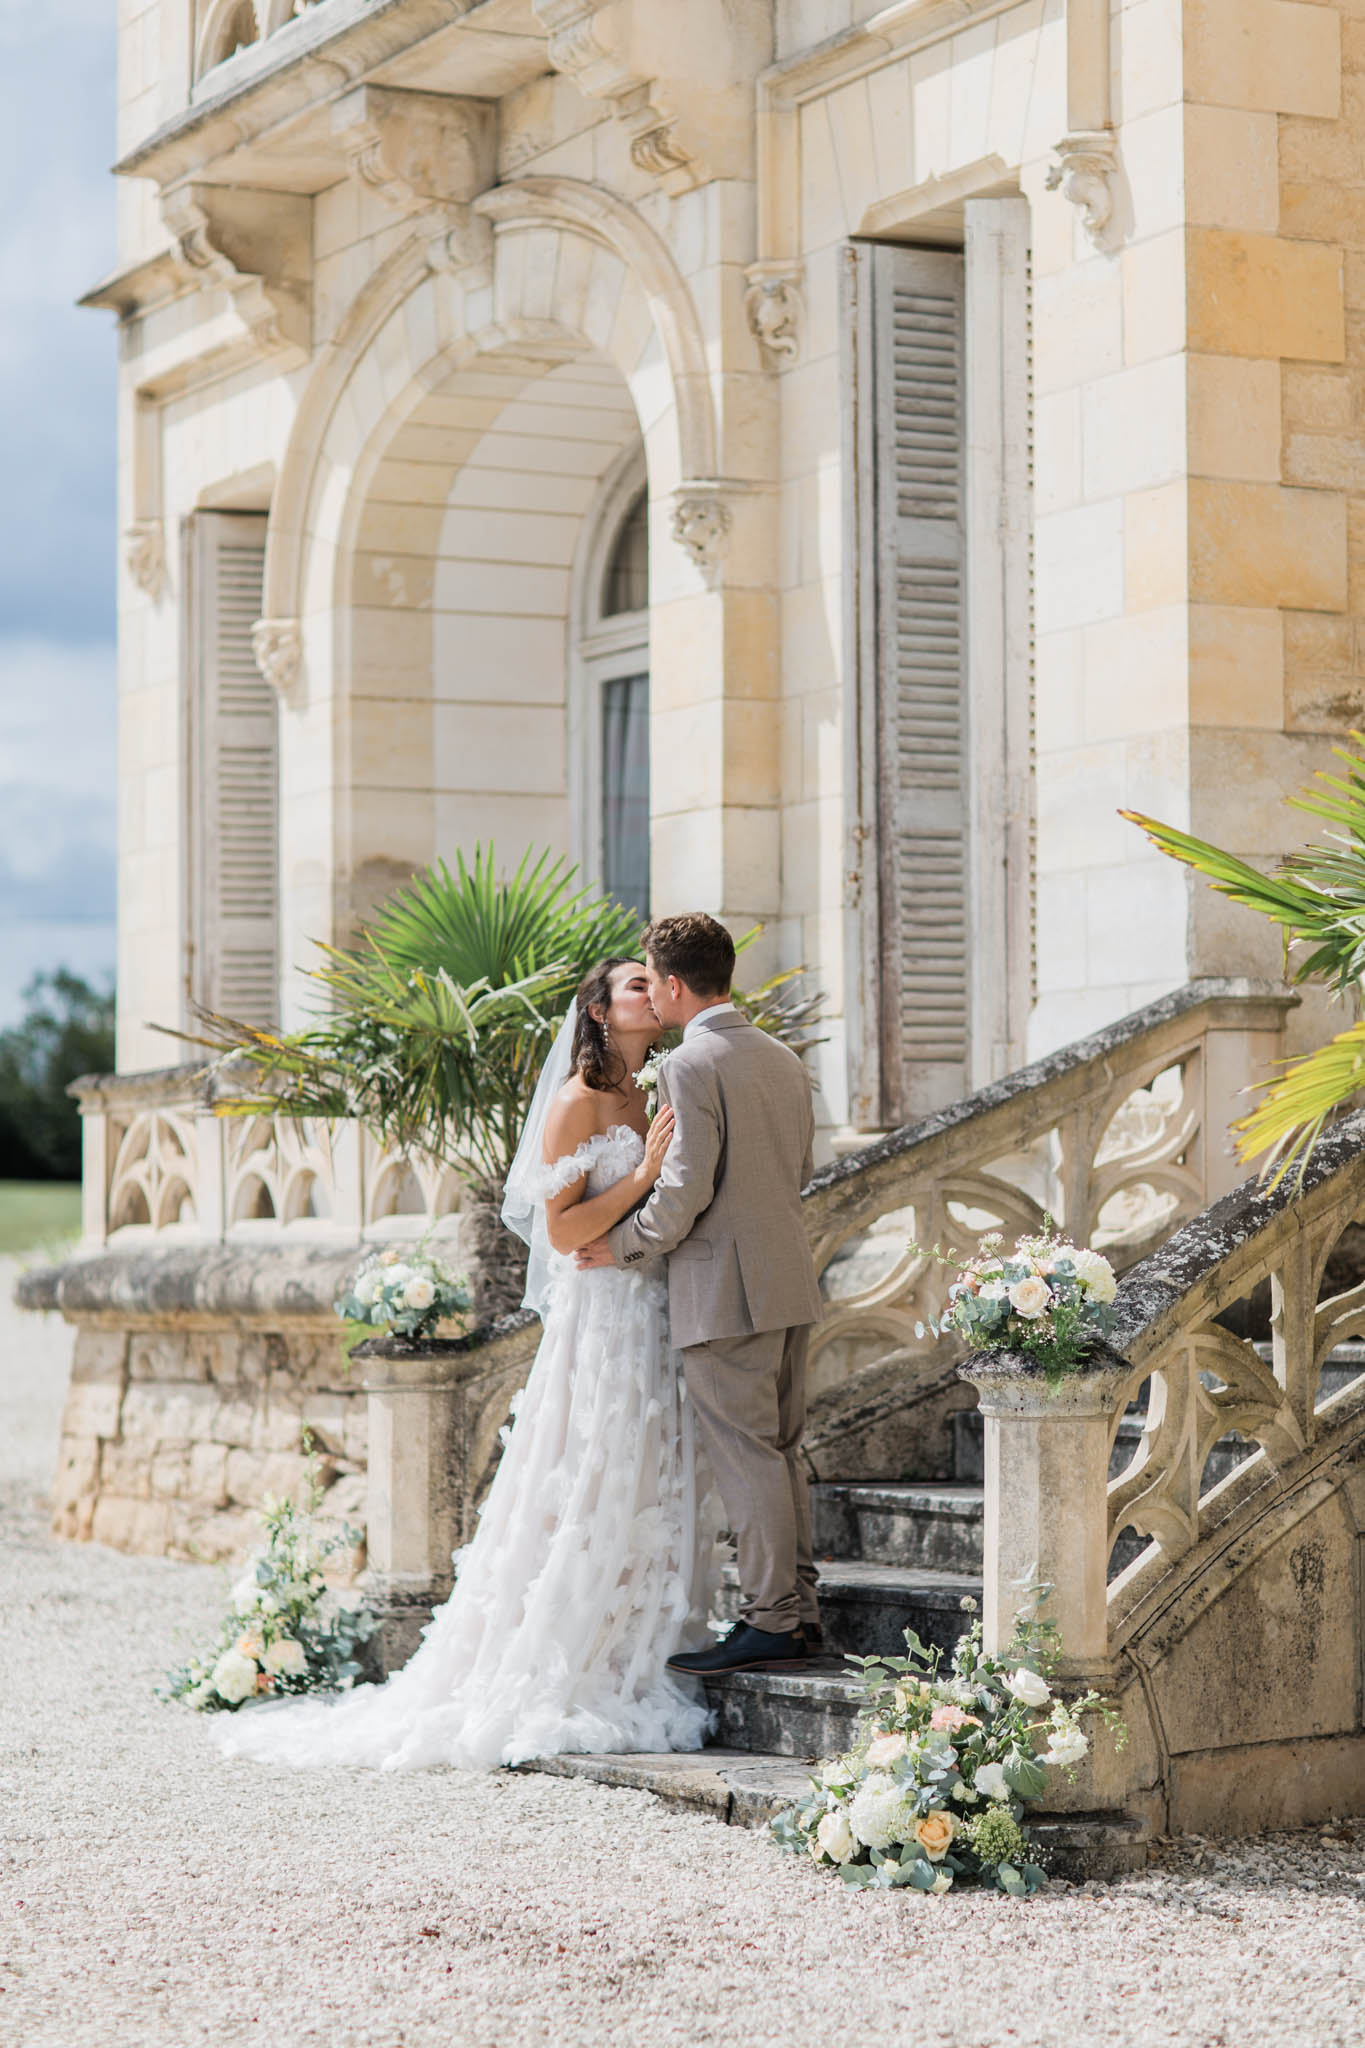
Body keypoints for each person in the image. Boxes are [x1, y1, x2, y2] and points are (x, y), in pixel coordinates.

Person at [216, 957, 720, 1773]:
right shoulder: (575, 1102)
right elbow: (559, 1233)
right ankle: (570, 1656)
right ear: (596, 1011)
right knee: (590, 1471)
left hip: (654, 1305)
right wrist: (643, 1174)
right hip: (603, 1318)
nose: (650, 990)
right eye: (633, 984)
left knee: (650, 1480)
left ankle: (641, 1646)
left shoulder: (653, 1090)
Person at [576, 912, 824, 1675]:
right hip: (788, 1277)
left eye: (654, 982)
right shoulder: (781, 1054)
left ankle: (771, 1619)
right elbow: (801, 1169)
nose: (652, 999)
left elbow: (682, 1194)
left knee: (748, 1458)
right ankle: (797, 1610)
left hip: (725, 1290)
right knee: (781, 1453)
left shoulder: (691, 1063)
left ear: (676, 985)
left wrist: (617, 1246)